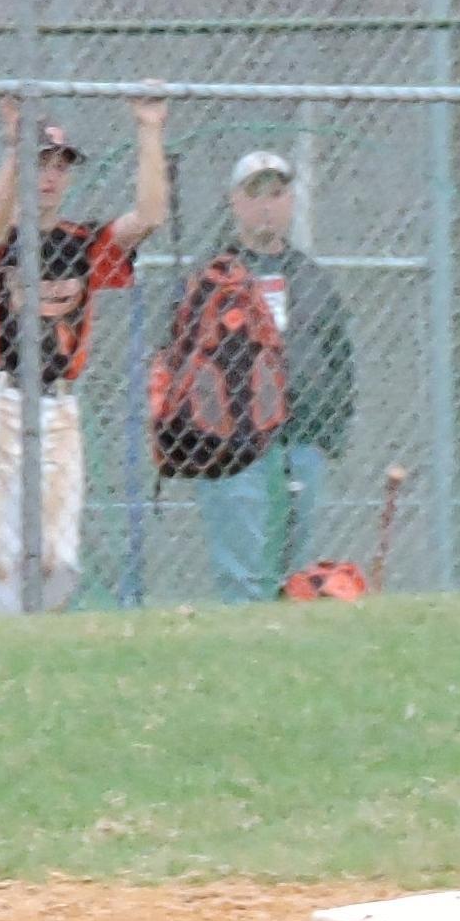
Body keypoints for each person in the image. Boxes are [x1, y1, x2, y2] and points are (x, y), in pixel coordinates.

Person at [0, 92, 168, 614]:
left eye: (58, 165)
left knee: (58, 555)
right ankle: (6, 652)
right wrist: (13, 149)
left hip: (58, 405)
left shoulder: (85, 241)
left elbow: (149, 216)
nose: (48, 176)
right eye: (38, 164)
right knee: (2, 553)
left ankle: (42, 639)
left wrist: (149, 128)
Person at [187, 150, 357, 602]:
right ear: (235, 202)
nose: (267, 206)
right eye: (255, 194)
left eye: (277, 194)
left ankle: (282, 644)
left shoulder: (311, 278)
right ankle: (243, 647)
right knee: (242, 565)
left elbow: (339, 358)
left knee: (292, 568)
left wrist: (330, 435)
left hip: (301, 440)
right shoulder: (209, 276)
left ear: (290, 201)